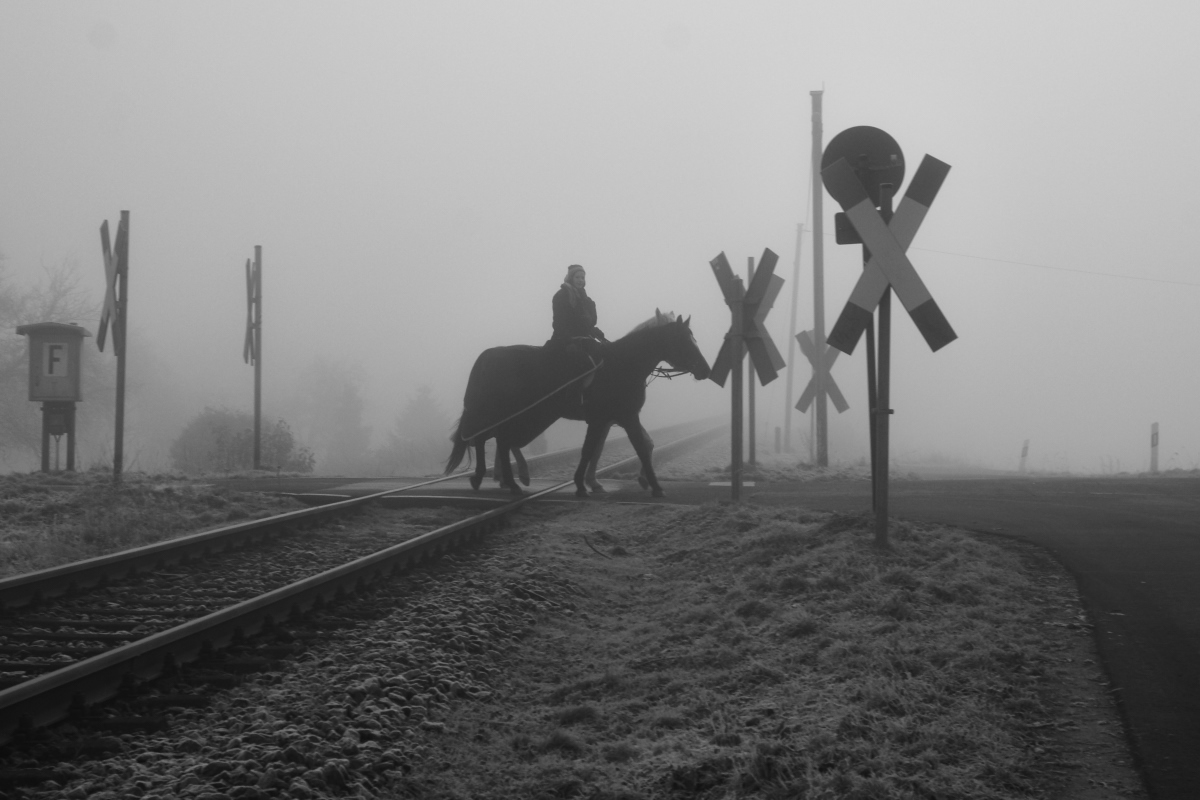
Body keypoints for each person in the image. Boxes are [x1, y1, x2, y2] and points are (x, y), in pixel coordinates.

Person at [550, 264, 605, 347]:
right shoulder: (561, 295)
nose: (580, 280)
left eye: (582, 278)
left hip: (584, 340)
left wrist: (593, 331)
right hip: (563, 341)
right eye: (577, 277)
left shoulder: (587, 300)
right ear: (571, 278)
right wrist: (569, 340)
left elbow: (589, 323)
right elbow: (559, 323)